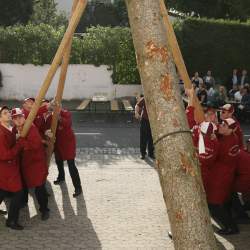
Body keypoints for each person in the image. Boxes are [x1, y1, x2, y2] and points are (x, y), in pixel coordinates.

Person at [11, 108, 50, 220]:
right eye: (15, 118)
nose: (18, 120)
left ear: (24, 117)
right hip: (24, 163)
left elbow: (35, 145)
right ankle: (24, 202)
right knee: (23, 186)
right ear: (12, 120)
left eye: (20, 117)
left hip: (36, 163)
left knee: (39, 187)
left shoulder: (31, 127)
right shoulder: (14, 129)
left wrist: (20, 140)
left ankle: (44, 209)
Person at [208, 118, 240, 235]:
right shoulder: (233, 138)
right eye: (222, 123)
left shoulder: (224, 143)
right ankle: (231, 226)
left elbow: (213, 156)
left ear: (231, 129)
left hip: (220, 177)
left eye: (224, 125)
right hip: (227, 175)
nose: (221, 126)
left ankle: (231, 227)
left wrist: (214, 141)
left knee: (214, 204)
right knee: (223, 203)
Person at [46, 104, 82, 198]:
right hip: (58, 143)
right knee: (59, 161)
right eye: (53, 107)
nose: (55, 108)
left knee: (71, 165)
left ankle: (78, 187)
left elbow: (67, 124)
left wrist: (58, 117)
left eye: (57, 107)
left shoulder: (65, 113)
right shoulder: (50, 116)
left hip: (68, 143)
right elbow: (47, 127)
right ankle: (61, 177)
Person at [0, 106, 25, 230]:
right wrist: (19, 144)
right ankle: (11, 221)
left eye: (8, 112)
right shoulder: (0, 133)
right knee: (18, 193)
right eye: (5, 113)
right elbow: (4, 155)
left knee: (3, 190)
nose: (9, 114)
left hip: (11, 166)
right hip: (6, 168)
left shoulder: (10, 128)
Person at [135, 95, 154, 160]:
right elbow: (137, 105)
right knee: (143, 137)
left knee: (151, 137)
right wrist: (136, 113)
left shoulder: (158, 98)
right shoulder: (146, 97)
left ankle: (151, 153)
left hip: (154, 121)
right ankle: (142, 153)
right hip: (145, 120)